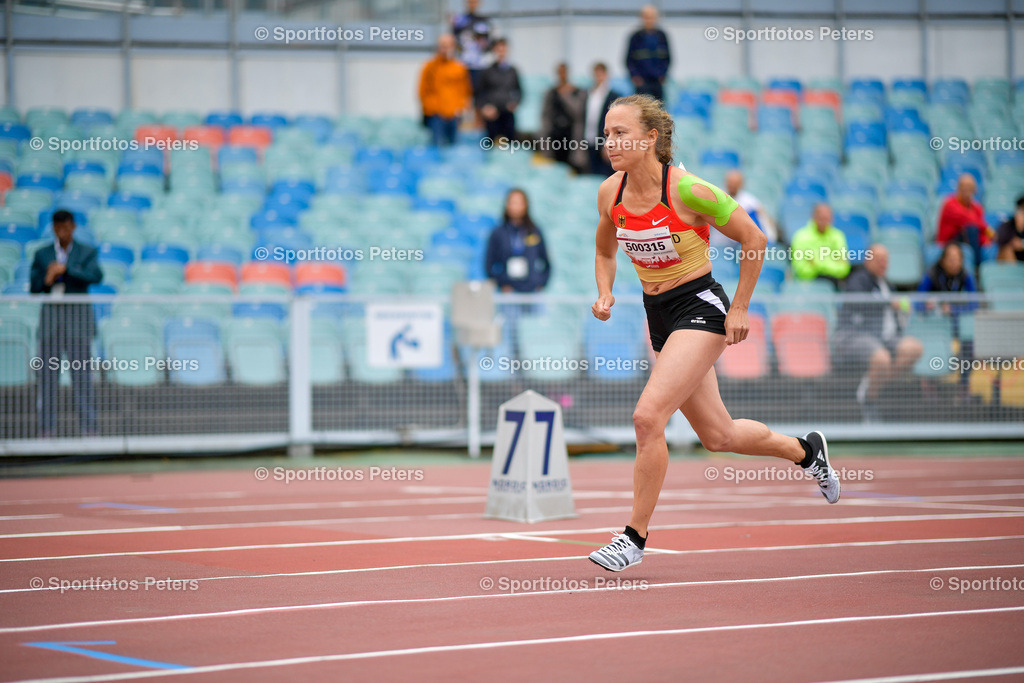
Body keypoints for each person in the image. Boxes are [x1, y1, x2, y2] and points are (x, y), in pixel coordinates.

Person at [587, 95, 839, 573]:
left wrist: (740, 307)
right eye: (607, 132)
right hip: (657, 313)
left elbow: (755, 238)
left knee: (647, 418)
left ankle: (633, 537)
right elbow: (605, 250)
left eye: (621, 132)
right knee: (719, 436)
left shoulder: (691, 191)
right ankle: (807, 451)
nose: (610, 142)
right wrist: (605, 292)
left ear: (651, 138)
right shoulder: (609, 194)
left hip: (700, 307)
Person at [30, 209, 103, 437]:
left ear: (73, 227)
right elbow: (34, 287)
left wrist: (66, 269)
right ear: (53, 228)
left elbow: (96, 276)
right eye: (58, 227)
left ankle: (89, 428)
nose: (62, 231)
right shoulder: (42, 254)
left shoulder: (86, 251)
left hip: (77, 325)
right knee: (47, 379)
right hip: (51, 324)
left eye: (66, 226)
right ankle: (47, 429)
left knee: (82, 378)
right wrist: (47, 277)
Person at [835, 244, 923, 422]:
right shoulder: (858, 279)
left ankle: (872, 382)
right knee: (881, 358)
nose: (883, 263)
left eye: (886, 260)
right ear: (868, 259)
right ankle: (869, 399)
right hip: (856, 335)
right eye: (879, 259)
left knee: (914, 348)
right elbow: (860, 302)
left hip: (886, 337)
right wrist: (889, 302)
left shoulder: (887, 284)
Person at [484, 188, 550, 293]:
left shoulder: (534, 231)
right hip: (509, 291)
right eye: (513, 203)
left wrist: (540, 283)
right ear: (507, 205)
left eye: (519, 203)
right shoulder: (498, 233)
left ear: (526, 205)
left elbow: (546, 261)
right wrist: (501, 283)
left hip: (531, 291)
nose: (516, 207)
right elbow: (488, 264)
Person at [418, 34, 472, 147]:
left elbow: (465, 91)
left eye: (448, 46)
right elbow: (423, 91)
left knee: (454, 147)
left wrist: (460, 108)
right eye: (442, 46)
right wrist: (433, 108)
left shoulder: (459, 68)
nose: (445, 49)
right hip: (436, 116)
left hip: (454, 116)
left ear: (453, 47)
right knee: (437, 146)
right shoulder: (429, 67)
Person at [936, 173, 993, 273]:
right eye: (963, 187)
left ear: (975, 190)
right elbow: (968, 219)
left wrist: (986, 241)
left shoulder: (977, 208)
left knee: (986, 240)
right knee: (972, 229)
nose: (966, 190)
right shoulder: (950, 203)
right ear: (958, 188)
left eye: (970, 187)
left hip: (968, 241)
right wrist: (988, 230)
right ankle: (976, 268)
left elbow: (979, 228)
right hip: (949, 242)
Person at [710, 169, 778, 252]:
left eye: (735, 183)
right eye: (730, 182)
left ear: (741, 184)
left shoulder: (750, 203)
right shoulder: (715, 197)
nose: (731, 185)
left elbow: (763, 223)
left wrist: (770, 240)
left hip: (739, 247)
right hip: (717, 245)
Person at [789, 203, 851, 287]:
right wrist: (831, 263)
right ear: (814, 217)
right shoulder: (801, 237)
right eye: (821, 218)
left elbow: (844, 269)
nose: (824, 222)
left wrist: (816, 263)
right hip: (808, 285)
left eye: (827, 219)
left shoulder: (838, 236)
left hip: (833, 282)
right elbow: (801, 270)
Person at [541, 62, 586, 172]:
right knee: (556, 166)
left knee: (572, 164)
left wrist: (566, 96)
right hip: (555, 135)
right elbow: (546, 114)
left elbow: (578, 112)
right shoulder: (551, 92)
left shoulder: (576, 91)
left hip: (572, 135)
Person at [475, 38, 521, 144]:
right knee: (489, 144)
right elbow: (479, 93)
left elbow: (519, 91)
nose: (501, 52)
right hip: (492, 114)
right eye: (498, 49)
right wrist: (485, 108)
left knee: (510, 144)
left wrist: (515, 103)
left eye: (503, 49)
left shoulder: (512, 71)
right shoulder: (487, 71)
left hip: (507, 113)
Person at [625, 5, 671, 102]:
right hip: (641, 82)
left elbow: (668, 58)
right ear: (641, 18)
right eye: (646, 17)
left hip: (657, 82)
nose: (649, 20)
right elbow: (628, 60)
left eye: (651, 17)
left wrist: (663, 75)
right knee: (641, 110)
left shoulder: (662, 36)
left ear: (656, 18)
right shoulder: (635, 37)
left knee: (659, 110)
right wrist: (635, 77)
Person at [583, 62, 620, 176]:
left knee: (606, 173)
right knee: (591, 172)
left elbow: (615, 122)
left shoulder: (613, 96)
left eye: (600, 74)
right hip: (589, 138)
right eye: (596, 74)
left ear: (606, 75)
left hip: (603, 140)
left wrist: (608, 143)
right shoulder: (588, 94)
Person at [450, 0, 492, 93]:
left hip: (480, 64)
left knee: (479, 93)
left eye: (474, 1)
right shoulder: (460, 20)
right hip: (463, 64)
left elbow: (489, 43)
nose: (472, 4)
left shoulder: (484, 21)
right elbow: (453, 41)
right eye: (470, 1)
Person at [996, 195, 1024, 262]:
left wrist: (1022, 244)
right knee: (1007, 250)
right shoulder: (1008, 225)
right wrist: (1019, 228)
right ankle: (1012, 272)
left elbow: (1020, 244)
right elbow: (1001, 240)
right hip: (1013, 257)